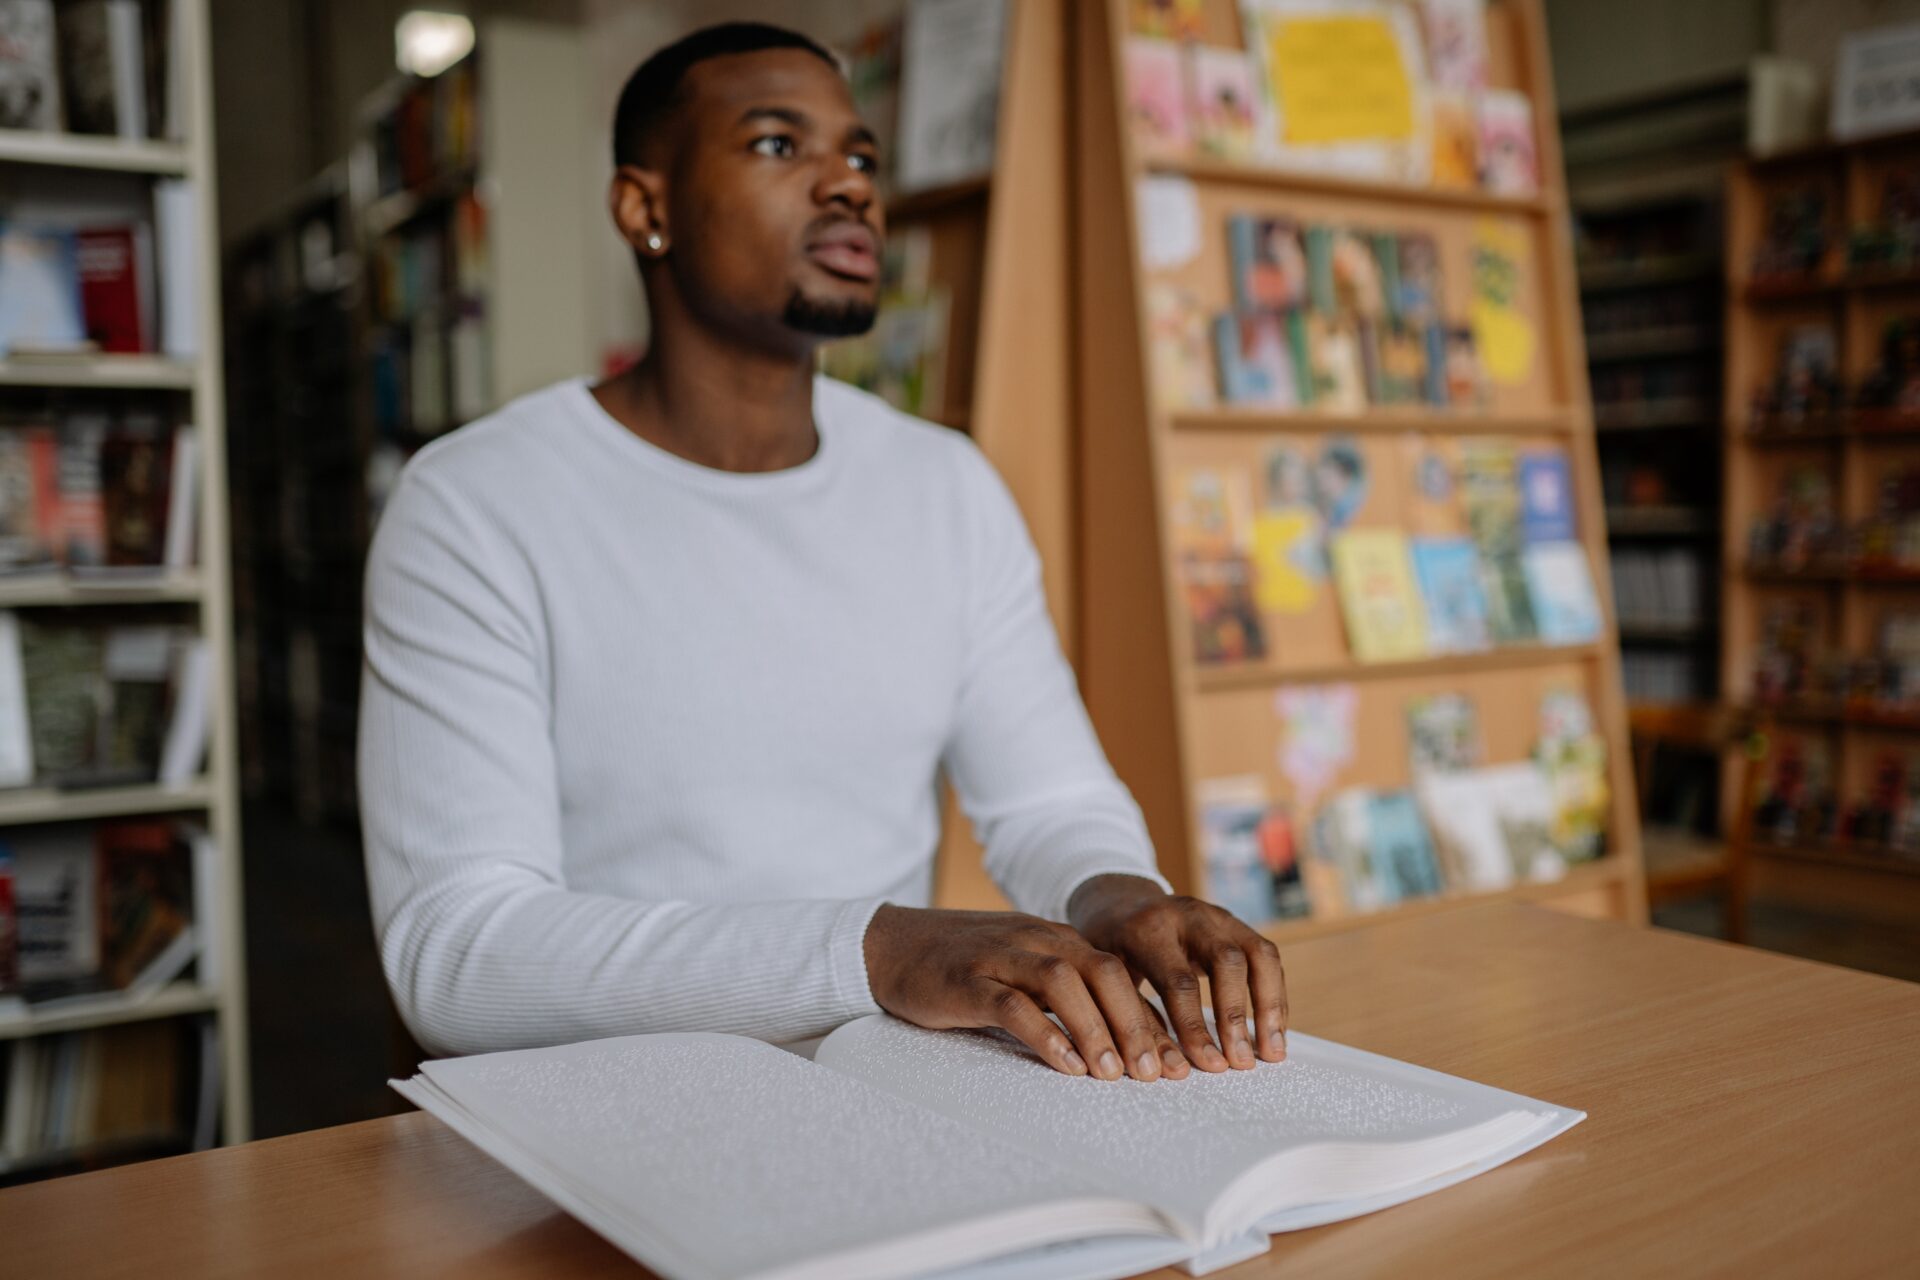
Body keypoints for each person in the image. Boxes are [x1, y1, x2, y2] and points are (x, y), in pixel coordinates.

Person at [359, 21, 1286, 1083]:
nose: (847, 186)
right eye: (775, 146)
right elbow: (459, 950)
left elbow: (1049, 801)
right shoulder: (476, 503)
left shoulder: (946, 486)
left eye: (861, 156)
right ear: (644, 206)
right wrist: (876, 947)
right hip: (603, 1096)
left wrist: (1120, 893)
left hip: (884, 1080)